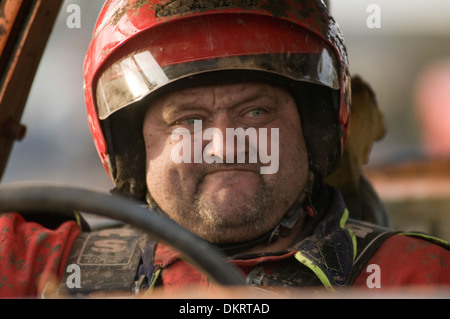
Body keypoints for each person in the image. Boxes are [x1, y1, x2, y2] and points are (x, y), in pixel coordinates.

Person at [0, 0, 449, 298]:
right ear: (135, 149)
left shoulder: (419, 277)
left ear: (314, 134)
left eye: (255, 113)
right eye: (187, 121)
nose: (222, 144)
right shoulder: (45, 264)